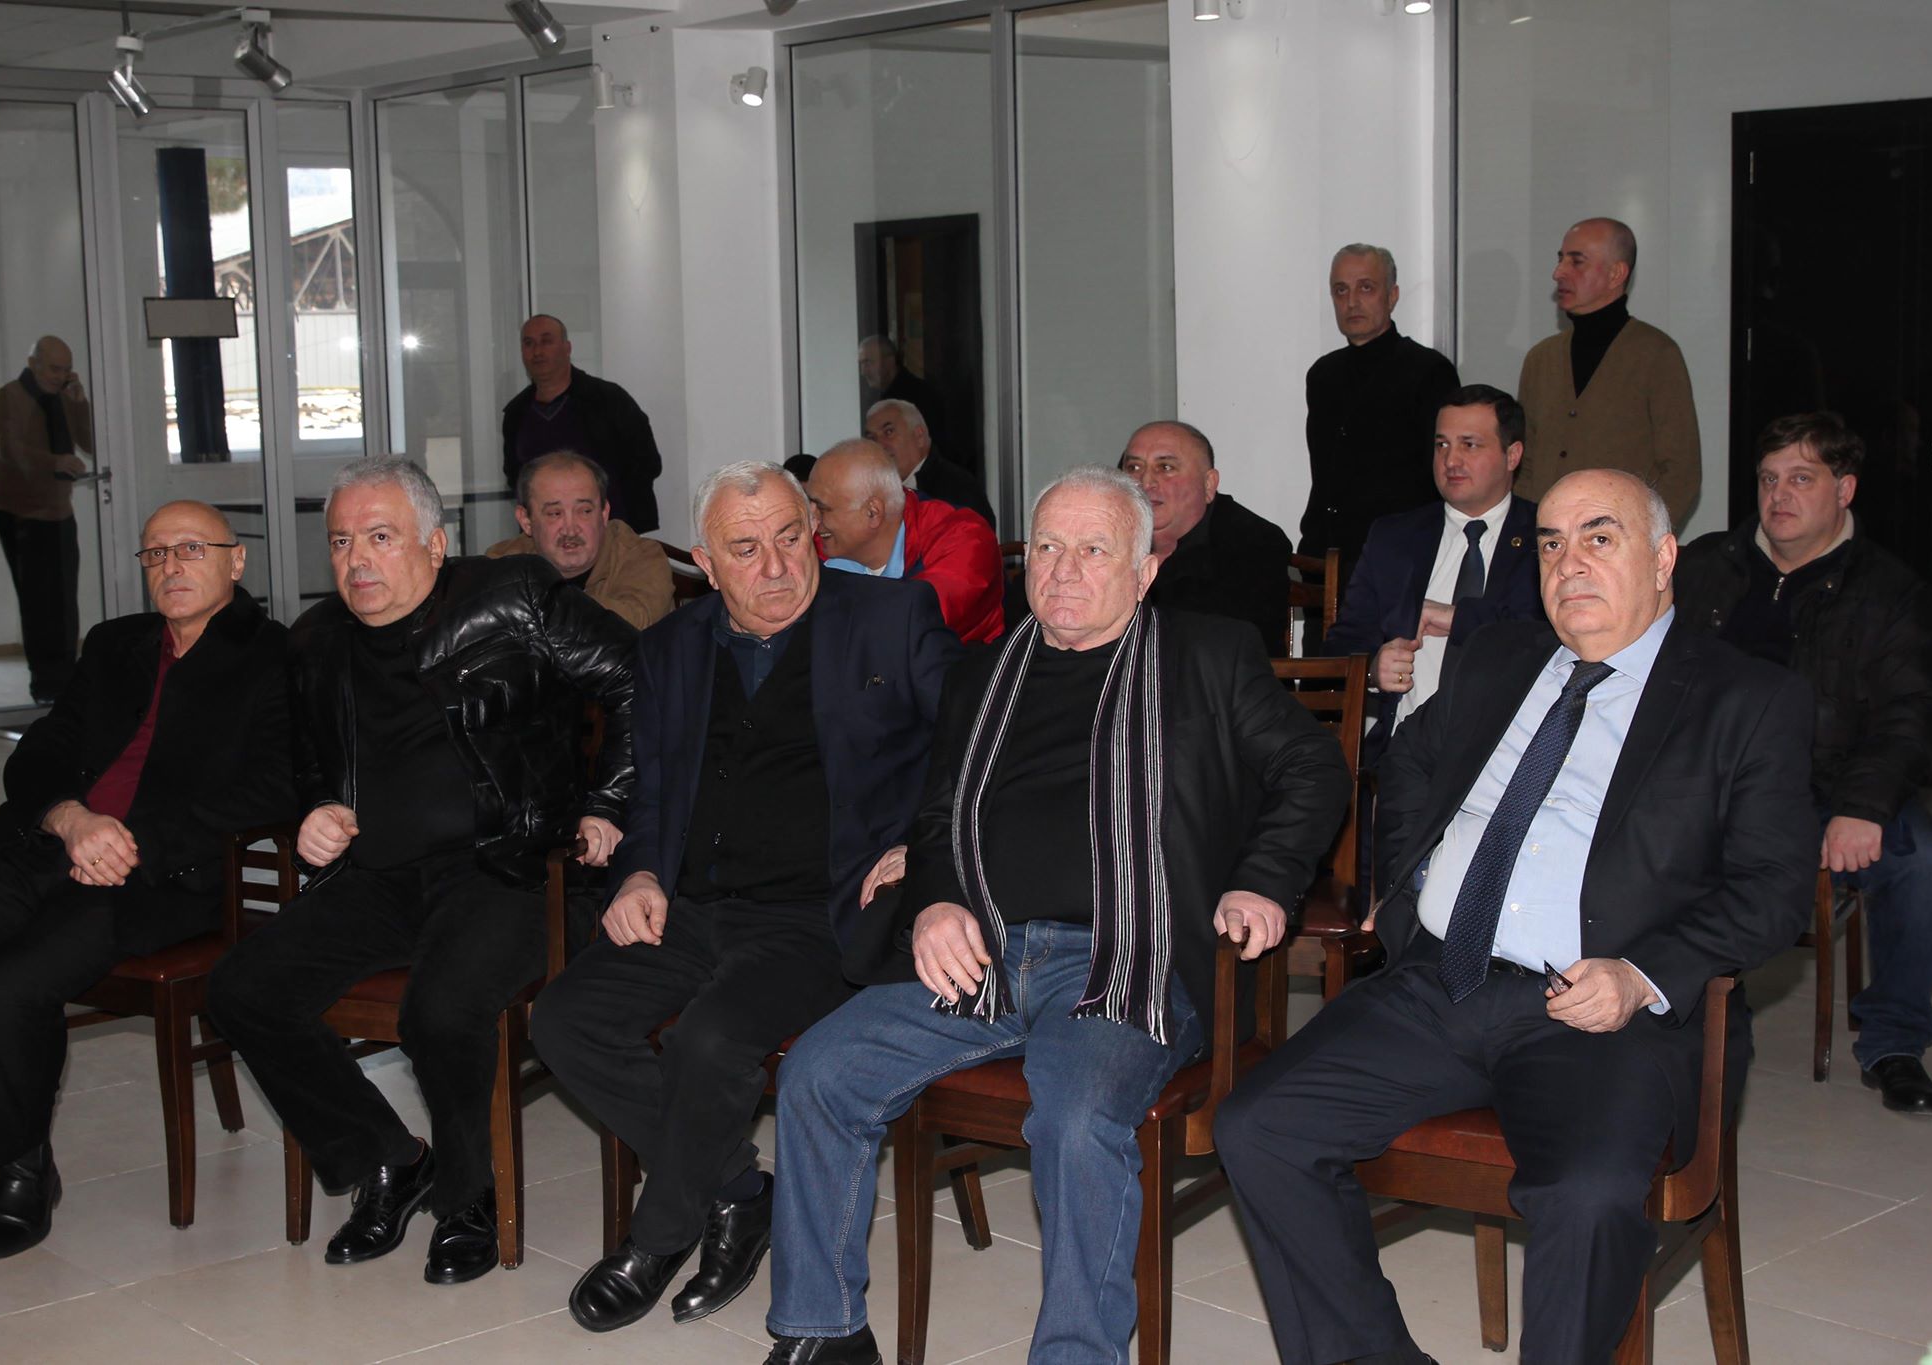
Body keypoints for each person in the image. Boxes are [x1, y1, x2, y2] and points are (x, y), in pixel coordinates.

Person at [1216, 468, 1817, 1364]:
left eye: (1600, 538)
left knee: (1584, 1194)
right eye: (1551, 544)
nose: (1569, 563)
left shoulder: (1746, 699)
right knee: (1258, 1126)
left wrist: (1641, 974)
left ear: (1664, 560)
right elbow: (1408, 762)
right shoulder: (1500, 657)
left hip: (1597, 1011)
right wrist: (1410, 888)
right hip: (1440, 979)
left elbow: (1772, 885)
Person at [758, 467, 1352, 1365]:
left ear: (1144, 571)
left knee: (1075, 1118)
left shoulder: (1207, 654)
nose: (1063, 570)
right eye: (1046, 547)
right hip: (984, 952)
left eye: (1093, 549)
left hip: (1127, 956)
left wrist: (1264, 880)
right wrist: (938, 897)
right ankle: (822, 1330)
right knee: (818, 1069)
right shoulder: (983, 672)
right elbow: (938, 815)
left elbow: (1313, 769)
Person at [531, 461, 960, 1335]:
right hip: (691, 904)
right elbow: (653, 791)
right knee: (565, 1020)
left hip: (819, 914)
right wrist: (640, 872)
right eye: (745, 549)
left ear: (815, 535)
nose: (776, 565)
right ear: (705, 562)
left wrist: (920, 846)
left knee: (710, 1039)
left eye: (791, 537)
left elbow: (972, 746)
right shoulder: (671, 646)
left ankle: (657, 1235)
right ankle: (737, 1189)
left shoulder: (891, 618)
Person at [206, 458, 637, 1286]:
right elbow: (311, 766)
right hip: (380, 876)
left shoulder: (513, 596)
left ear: (435, 545)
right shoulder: (316, 642)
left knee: (438, 1010)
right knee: (240, 989)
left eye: (380, 536)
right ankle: (388, 1157)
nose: (357, 560)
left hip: (511, 864)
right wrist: (318, 810)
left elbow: (641, 679)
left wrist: (609, 803)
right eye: (341, 542)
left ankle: (467, 1194)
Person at [0, 501, 289, 1259]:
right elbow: (39, 751)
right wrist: (69, 817)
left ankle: (20, 1170)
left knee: (14, 983)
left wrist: (131, 843)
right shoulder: (116, 643)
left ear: (236, 560)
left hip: (159, 876)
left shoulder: (275, 655)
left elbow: (273, 787)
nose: (172, 566)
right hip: (46, 846)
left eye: (191, 549)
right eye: (156, 554)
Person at [1674, 412, 1932, 1116]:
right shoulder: (1703, 567)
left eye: (1801, 478)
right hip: (1704, 780)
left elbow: (1914, 714)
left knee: (1922, 861)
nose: (1779, 495)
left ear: (1845, 489)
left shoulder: (1889, 590)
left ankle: (1893, 1041)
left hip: (1826, 784)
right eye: (1769, 479)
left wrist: (1864, 804)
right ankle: (1660, 1009)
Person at [1321, 384, 1544, 753]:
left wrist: (1459, 619)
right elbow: (1340, 648)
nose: (1451, 460)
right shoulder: (1394, 538)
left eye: (1469, 445)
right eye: (1442, 445)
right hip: (1404, 753)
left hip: (1509, 752)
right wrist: (1373, 669)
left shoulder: (1545, 536)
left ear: (1512, 455)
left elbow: (1545, 639)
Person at [1516, 217, 1702, 527]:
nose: (1558, 272)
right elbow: (1526, 462)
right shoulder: (1541, 359)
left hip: (1621, 542)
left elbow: (1681, 470)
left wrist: (1641, 537)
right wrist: (1525, 530)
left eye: (1577, 261)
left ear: (1616, 273)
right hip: (1547, 540)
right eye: (1560, 259)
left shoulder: (1657, 354)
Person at [1301, 245, 1461, 576]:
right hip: (1325, 555)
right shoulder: (1322, 375)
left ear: (1392, 296)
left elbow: (1441, 473)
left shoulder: (1428, 371)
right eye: (1340, 290)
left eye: (1366, 287)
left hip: (1399, 559)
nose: (1351, 301)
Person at [1118, 419, 1294, 657]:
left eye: (1165, 467)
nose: (1146, 482)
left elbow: (1228, 648)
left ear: (1209, 484)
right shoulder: (1104, 536)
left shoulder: (1253, 543)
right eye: (1133, 468)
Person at [807, 438, 1004, 645]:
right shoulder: (814, 545)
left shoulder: (965, 538)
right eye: (809, 506)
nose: (812, 520)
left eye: (822, 509)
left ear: (873, 513)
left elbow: (911, 623)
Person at [0, 335, 96, 704]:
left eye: (66, 369)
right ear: (33, 363)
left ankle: (65, 680)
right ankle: (45, 685)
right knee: (38, 604)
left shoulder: (64, 397)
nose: (60, 376)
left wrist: (79, 404)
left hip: (59, 512)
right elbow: (11, 451)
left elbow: (90, 443)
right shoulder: (7, 398)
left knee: (64, 601)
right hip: (20, 515)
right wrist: (55, 461)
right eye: (54, 368)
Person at [501, 314, 664, 533]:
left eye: (546, 341)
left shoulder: (608, 400)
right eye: (529, 343)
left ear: (567, 348)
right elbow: (515, 478)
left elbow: (647, 463)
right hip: (543, 540)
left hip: (612, 535)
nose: (537, 351)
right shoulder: (516, 413)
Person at [485, 450, 675, 630]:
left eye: (584, 511)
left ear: (604, 514)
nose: (570, 529)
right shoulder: (502, 563)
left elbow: (631, 626)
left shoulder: (642, 557)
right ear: (526, 521)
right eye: (555, 513)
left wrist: (538, 603)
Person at [864, 398, 995, 529]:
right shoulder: (870, 493)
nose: (878, 445)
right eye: (871, 438)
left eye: (889, 432)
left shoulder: (957, 489)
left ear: (919, 436)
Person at [857, 335, 948, 459]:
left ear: (889, 361)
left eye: (868, 362)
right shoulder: (877, 397)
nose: (863, 372)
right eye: (861, 364)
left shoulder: (918, 396)